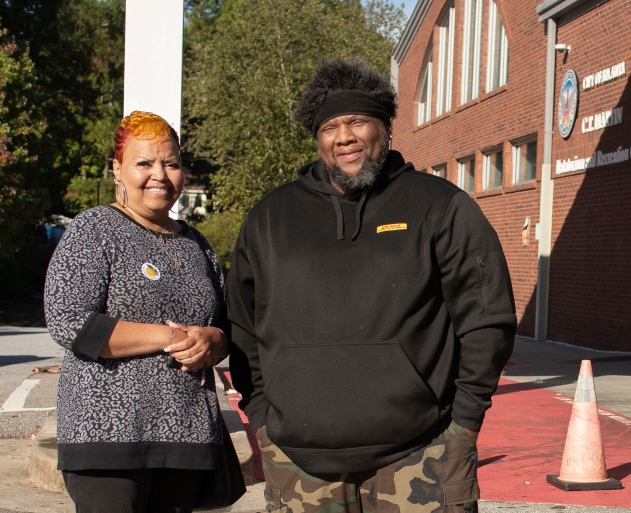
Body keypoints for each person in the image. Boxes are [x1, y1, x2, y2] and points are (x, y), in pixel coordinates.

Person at [227, 59, 517, 513]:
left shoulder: (440, 206)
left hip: (422, 453)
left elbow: (486, 319)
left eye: (357, 122)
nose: (343, 137)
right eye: (329, 127)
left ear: (385, 128)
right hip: (299, 461)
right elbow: (242, 327)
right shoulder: (270, 218)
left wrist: (464, 422)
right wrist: (262, 417)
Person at [44, 111, 229, 513]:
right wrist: (169, 337)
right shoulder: (94, 229)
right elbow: (68, 320)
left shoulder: (197, 245)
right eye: (144, 163)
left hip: (186, 433)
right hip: (107, 436)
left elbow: (222, 325)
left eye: (171, 163)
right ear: (118, 169)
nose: (159, 175)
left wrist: (214, 340)